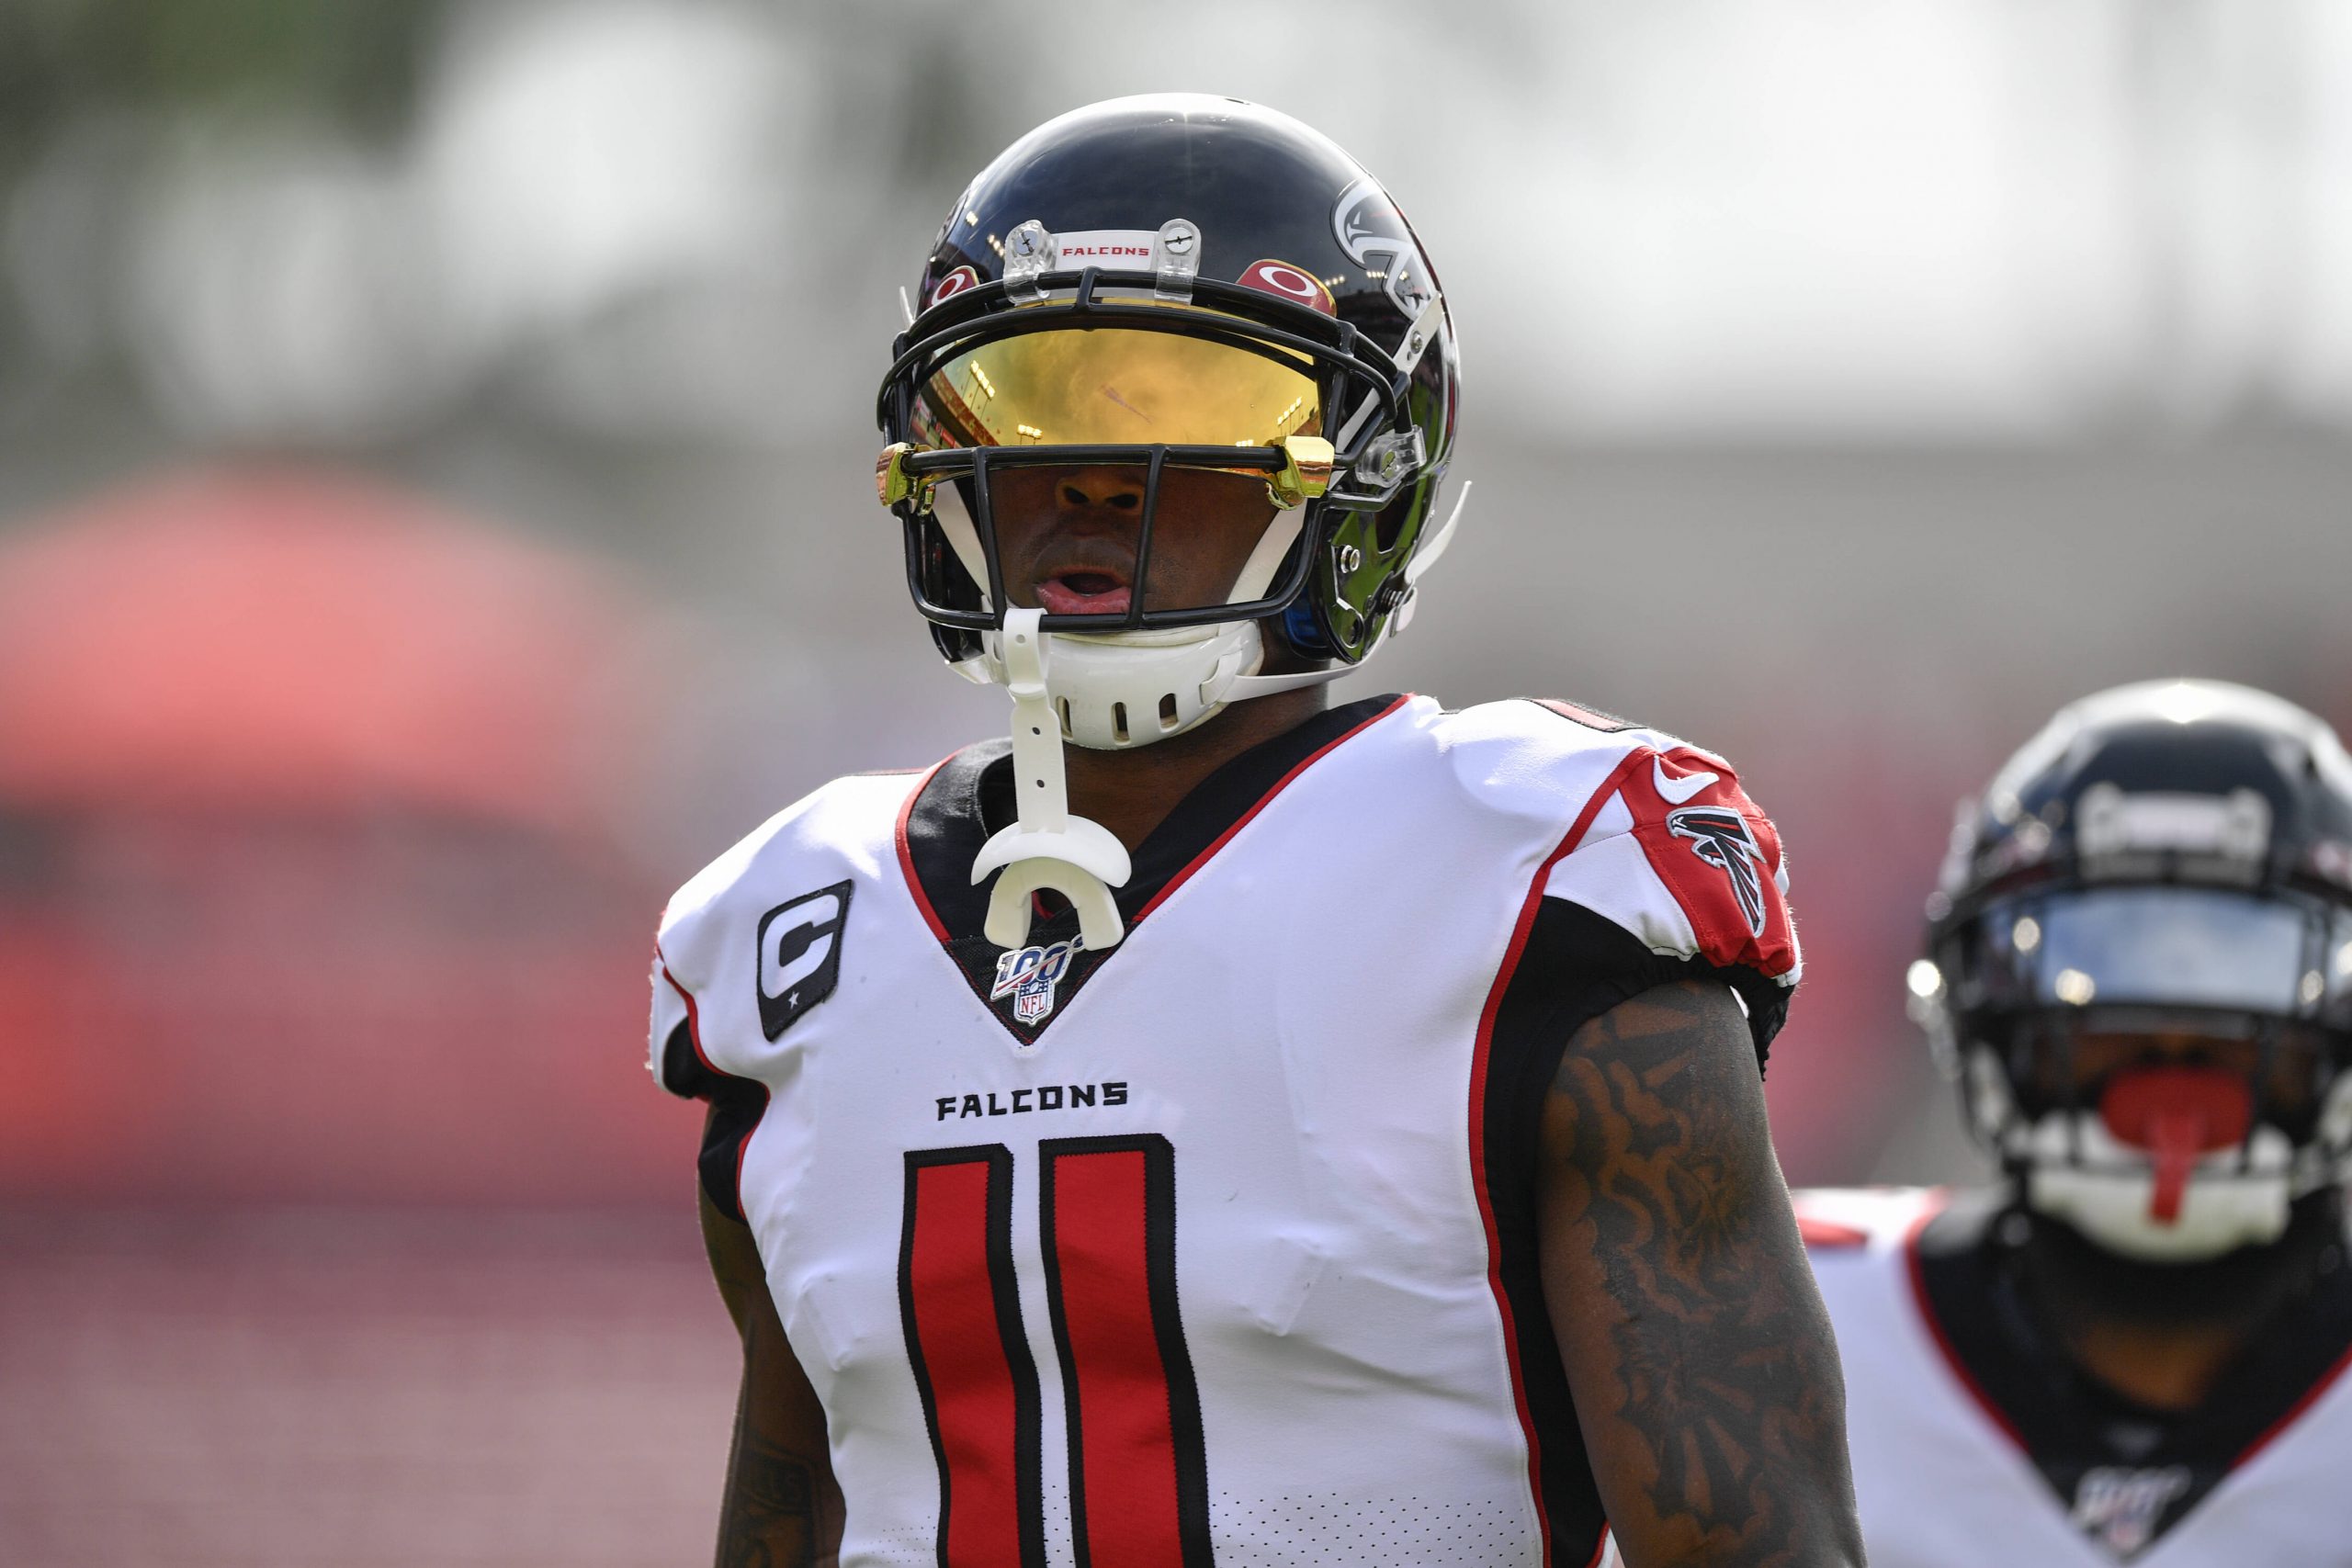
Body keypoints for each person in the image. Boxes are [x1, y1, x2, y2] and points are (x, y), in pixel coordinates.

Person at [650, 94, 1861, 1568]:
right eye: (1029, 401)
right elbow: (795, 1503)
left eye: (1190, 407)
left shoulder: (1529, 881)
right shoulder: (793, 928)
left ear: (1362, 466)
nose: (1094, 475)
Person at [1801, 679, 2352, 1564]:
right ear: (1982, 1008)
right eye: (2099, 958)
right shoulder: (1790, 1315)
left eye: (2247, 963)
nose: (2175, 1036)